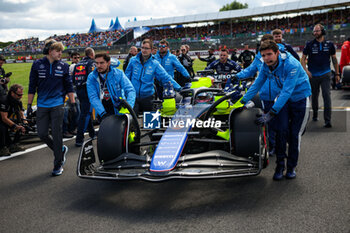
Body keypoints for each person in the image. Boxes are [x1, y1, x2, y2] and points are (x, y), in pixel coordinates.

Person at [241, 40, 311, 180]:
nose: (267, 58)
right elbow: (257, 84)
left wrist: (272, 113)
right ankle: (279, 167)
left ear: (277, 53)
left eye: (269, 54)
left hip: (300, 99)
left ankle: (291, 167)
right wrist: (242, 101)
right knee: (281, 132)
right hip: (283, 100)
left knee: (294, 135)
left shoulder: (291, 64)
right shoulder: (266, 65)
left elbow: (287, 91)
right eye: (264, 55)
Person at [27, 39, 77, 176]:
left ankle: (58, 163)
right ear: (50, 51)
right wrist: (29, 105)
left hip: (58, 105)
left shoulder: (64, 66)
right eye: (58, 50)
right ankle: (60, 150)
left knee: (56, 133)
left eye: (62, 50)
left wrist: (72, 103)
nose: (61, 53)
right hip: (42, 105)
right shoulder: (37, 65)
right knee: (42, 133)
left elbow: (69, 86)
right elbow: (32, 86)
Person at [125, 39, 181, 115]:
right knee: (132, 122)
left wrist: (179, 88)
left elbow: (165, 77)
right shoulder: (132, 61)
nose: (144, 50)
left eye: (146, 48)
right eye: (142, 48)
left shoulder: (155, 64)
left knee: (150, 124)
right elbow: (126, 78)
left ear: (151, 50)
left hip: (148, 97)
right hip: (133, 97)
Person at [301, 24, 340, 128]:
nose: (315, 33)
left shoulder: (330, 44)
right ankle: (314, 114)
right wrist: (306, 71)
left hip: (326, 74)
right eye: (314, 31)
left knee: (327, 96)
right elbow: (303, 58)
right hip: (313, 75)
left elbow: (334, 60)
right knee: (314, 96)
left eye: (317, 31)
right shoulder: (309, 44)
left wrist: (337, 73)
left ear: (322, 31)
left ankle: (328, 120)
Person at [87, 53, 136, 119]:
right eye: (97, 63)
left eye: (101, 63)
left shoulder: (118, 73)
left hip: (118, 108)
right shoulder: (91, 77)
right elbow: (93, 97)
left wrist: (128, 107)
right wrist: (102, 113)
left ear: (108, 63)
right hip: (102, 110)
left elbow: (130, 90)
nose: (98, 66)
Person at [72, 47, 96, 147]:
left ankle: (92, 133)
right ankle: (79, 138)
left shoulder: (78, 64)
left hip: (79, 89)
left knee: (86, 112)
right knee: (85, 114)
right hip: (87, 90)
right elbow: (92, 76)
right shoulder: (91, 63)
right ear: (91, 54)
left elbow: (73, 78)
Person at [0, 84, 26, 156]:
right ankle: (2, 148)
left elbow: (20, 112)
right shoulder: (4, 100)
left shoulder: (17, 100)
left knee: (22, 125)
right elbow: (4, 118)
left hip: (5, 119)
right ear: (12, 93)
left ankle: (13, 145)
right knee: (2, 127)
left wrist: (23, 122)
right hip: (2, 119)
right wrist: (15, 126)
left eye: (22, 95)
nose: (21, 97)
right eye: (19, 95)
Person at [63, 51, 80, 138]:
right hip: (69, 92)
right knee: (67, 111)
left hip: (75, 91)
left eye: (78, 58)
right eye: (75, 58)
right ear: (72, 59)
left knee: (76, 111)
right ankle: (66, 130)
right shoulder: (71, 67)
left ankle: (72, 128)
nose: (77, 59)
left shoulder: (79, 67)